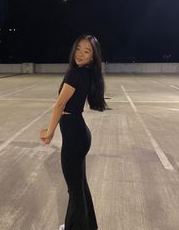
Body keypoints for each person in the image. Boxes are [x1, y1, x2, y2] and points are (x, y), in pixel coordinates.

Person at [40, 34, 107, 230]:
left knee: (75, 191)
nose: (80, 54)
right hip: (80, 133)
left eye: (87, 51)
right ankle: (83, 225)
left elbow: (60, 104)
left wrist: (50, 131)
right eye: (79, 48)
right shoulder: (86, 73)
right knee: (80, 187)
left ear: (93, 57)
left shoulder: (74, 74)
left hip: (75, 137)